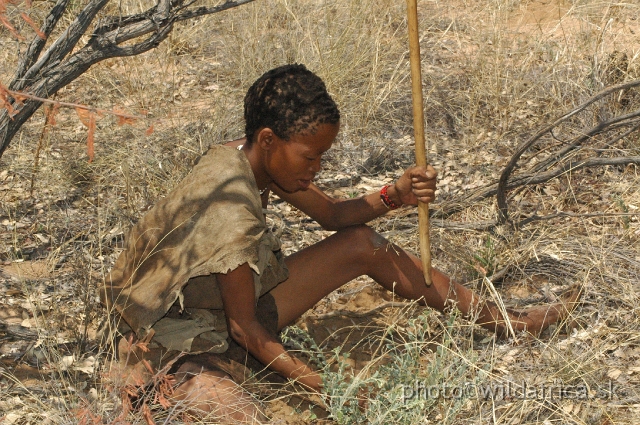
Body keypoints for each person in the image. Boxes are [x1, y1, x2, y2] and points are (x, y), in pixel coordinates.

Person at [102, 64, 578, 423]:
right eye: (311, 156)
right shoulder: (231, 214)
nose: (317, 169)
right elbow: (245, 330)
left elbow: (333, 216)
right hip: (172, 345)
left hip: (222, 315)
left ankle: (508, 323)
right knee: (234, 414)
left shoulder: (244, 156)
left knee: (360, 244)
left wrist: (396, 194)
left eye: (323, 156)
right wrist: (330, 387)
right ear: (269, 139)